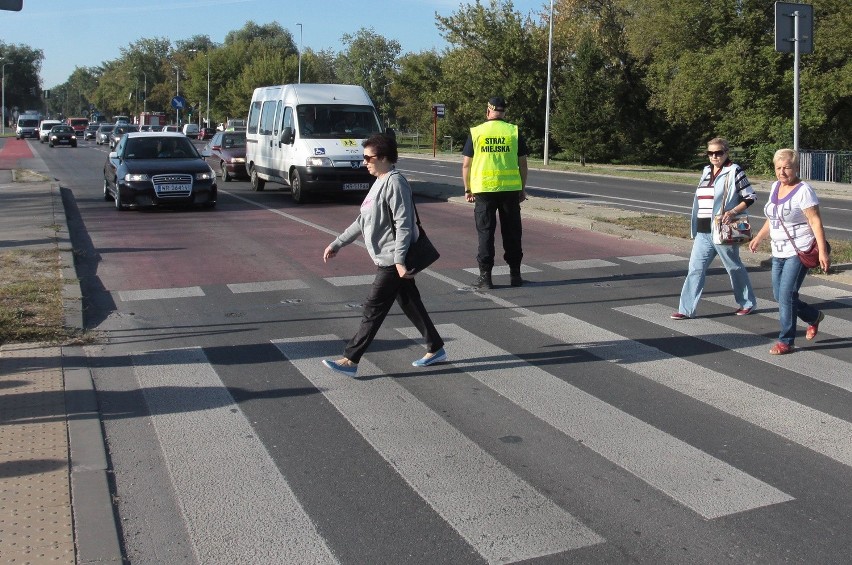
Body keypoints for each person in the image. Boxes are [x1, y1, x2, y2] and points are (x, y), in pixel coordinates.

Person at [321, 133, 446, 376]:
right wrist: (337, 243)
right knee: (410, 303)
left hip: (392, 259)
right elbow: (362, 221)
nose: (364, 162)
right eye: (363, 157)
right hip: (389, 258)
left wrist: (399, 260)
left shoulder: (395, 182)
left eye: (368, 157)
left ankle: (350, 360)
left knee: (373, 308)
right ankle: (436, 346)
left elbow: (404, 224)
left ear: (384, 157)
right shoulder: (379, 181)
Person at [748, 149, 830, 355]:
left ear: (796, 168)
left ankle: (786, 340)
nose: (782, 172)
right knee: (780, 295)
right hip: (779, 250)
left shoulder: (804, 191)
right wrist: (759, 237)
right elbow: (773, 218)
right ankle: (813, 316)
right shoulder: (776, 186)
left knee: (786, 295)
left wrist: (822, 251)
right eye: (778, 168)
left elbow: (815, 221)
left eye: (787, 167)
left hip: (799, 249)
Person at [671, 137, 757, 320]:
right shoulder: (706, 171)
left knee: (733, 267)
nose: (714, 156)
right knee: (695, 268)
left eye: (718, 153)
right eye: (710, 153)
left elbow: (750, 196)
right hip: (703, 231)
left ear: (726, 152)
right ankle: (686, 309)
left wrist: (733, 211)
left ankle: (747, 303)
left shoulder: (734, 171)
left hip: (722, 229)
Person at [462, 96, 528, 289]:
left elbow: (467, 164)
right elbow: (522, 164)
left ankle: (486, 278)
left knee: (485, 233)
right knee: (512, 232)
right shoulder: (513, 131)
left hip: (483, 191)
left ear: (488, 111)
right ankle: (515, 275)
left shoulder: (476, 132)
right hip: (510, 190)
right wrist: (522, 188)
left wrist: (468, 188)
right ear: (504, 113)